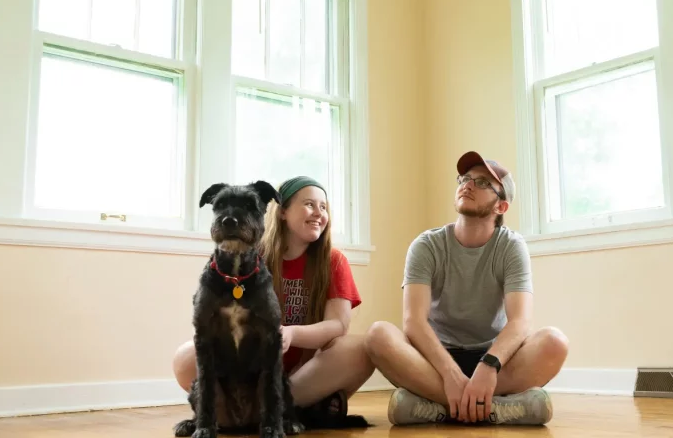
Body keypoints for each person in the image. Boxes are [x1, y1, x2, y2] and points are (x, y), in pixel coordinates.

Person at [365, 151, 568, 426]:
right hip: (436, 360)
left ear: (501, 207)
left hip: (495, 359)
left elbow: (520, 321)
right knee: (378, 335)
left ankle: (436, 407)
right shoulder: (426, 245)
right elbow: (413, 321)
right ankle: (497, 408)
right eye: (465, 178)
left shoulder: (511, 246)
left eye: (483, 183)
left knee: (555, 342)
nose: (468, 184)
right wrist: (449, 372)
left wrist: (489, 365)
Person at [173, 176, 373, 421]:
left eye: (324, 207)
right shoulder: (250, 255)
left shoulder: (334, 261)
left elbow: (338, 325)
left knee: (361, 350)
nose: (318, 213)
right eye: (309, 204)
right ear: (282, 212)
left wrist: (291, 333)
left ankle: (276, 407)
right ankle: (289, 410)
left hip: (305, 373)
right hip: (250, 371)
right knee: (184, 358)